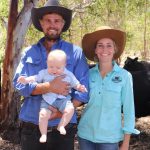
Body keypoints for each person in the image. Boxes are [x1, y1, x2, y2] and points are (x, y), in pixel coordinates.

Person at [13, 0, 89, 150]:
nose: (52, 24)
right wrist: (49, 87)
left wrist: (60, 113)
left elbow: (84, 92)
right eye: (48, 20)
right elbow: (20, 85)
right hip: (31, 127)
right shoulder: (29, 52)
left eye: (57, 21)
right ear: (41, 23)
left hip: (62, 130)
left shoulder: (75, 53)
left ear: (63, 24)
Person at [77, 26, 140, 150]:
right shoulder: (88, 74)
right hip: (85, 135)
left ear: (115, 49)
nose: (104, 49)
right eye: (100, 45)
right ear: (95, 50)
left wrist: (126, 142)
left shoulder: (125, 76)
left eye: (109, 45)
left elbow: (129, 110)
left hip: (109, 139)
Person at [17, 49, 87, 143]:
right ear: (47, 64)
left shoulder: (68, 74)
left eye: (58, 68)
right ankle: (43, 134)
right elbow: (35, 78)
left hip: (63, 100)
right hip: (47, 100)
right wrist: (25, 80)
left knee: (70, 109)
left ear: (64, 66)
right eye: (51, 67)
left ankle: (61, 125)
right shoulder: (44, 72)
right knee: (42, 115)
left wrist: (80, 87)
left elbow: (76, 83)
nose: (54, 70)